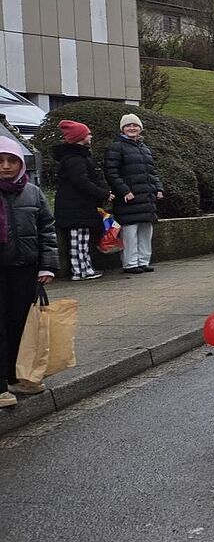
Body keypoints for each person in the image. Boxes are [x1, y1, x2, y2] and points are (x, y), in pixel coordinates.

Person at [0, 137, 59, 405]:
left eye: (12, 160)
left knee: (21, 325)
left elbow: (46, 229)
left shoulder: (32, 192)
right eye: (0, 161)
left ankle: (18, 376)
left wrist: (47, 264)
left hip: (25, 269)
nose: (5, 166)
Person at [53, 121, 112, 281]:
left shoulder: (76, 156)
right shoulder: (75, 159)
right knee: (79, 240)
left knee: (81, 239)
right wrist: (103, 193)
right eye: (87, 134)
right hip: (76, 207)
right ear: (80, 138)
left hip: (78, 207)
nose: (90, 136)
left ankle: (84, 268)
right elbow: (82, 182)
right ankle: (80, 270)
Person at [105, 113, 163, 274]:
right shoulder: (117, 147)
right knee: (130, 232)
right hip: (129, 198)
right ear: (122, 129)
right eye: (128, 126)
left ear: (140, 128)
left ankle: (143, 261)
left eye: (135, 125)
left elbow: (152, 172)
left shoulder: (144, 148)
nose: (132, 128)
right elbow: (111, 172)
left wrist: (158, 188)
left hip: (146, 197)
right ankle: (130, 263)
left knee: (146, 231)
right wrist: (124, 190)